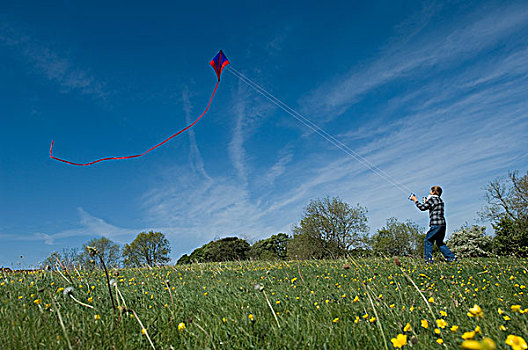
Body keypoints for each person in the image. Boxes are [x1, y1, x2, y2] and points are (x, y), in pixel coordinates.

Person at [410, 186, 457, 263]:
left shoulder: (432, 199)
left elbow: (422, 208)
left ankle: (428, 260)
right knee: (439, 242)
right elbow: (433, 208)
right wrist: (427, 202)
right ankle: (451, 258)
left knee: (428, 240)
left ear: (433, 192)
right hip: (442, 224)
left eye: (430, 191)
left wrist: (415, 200)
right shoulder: (440, 200)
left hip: (436, 224)